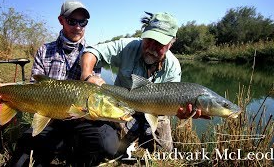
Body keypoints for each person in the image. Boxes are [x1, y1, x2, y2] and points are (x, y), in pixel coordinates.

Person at [3, 0, 121, 167]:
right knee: (22, 155)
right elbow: (33, 87)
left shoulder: (93, 54)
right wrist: (8, 94)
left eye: (83, 22)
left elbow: (94, 94)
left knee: (108, 145)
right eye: (72, 21)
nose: (78, 27)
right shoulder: (45, 50)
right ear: (61, 20)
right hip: (50, 117)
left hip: (81, 118)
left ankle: (73, 151)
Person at [80, 11, 209, 155]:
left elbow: (174, 106)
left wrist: (182, 114)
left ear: (171, 43)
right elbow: (92, 51)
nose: (151, 47)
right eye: (149, 39)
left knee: (163, 152)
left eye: (159, 43)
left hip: (156, 112)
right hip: (123, 106)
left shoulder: (173, 67)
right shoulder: (127, 46)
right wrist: (86, 75)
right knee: (113, 149)